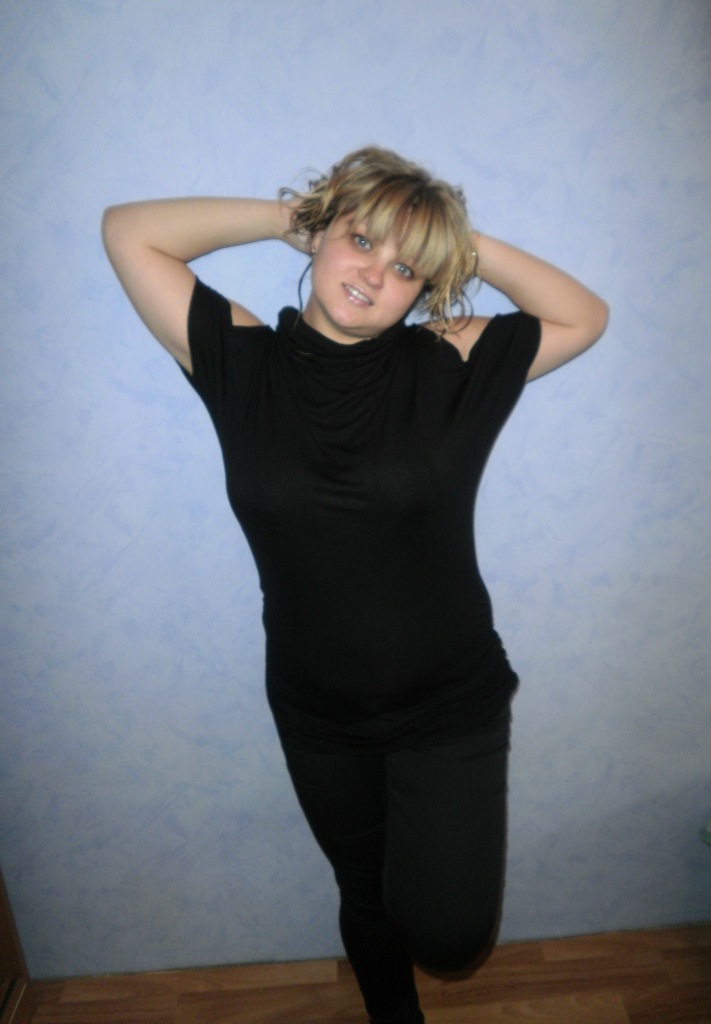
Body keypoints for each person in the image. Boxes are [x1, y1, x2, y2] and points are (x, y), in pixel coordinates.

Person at [102, 146, 608, 1024]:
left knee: (450, 936)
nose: (375, 274)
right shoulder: (243, 362)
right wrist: (285, 217)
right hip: (317, 711)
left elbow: (583, 314)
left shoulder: (446, 360)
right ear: (322, 235)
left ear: (425, 289)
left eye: (407, 268)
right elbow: (128, 232)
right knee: (364, 892)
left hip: (448, 705)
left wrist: (452, 242)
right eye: (361, 240)